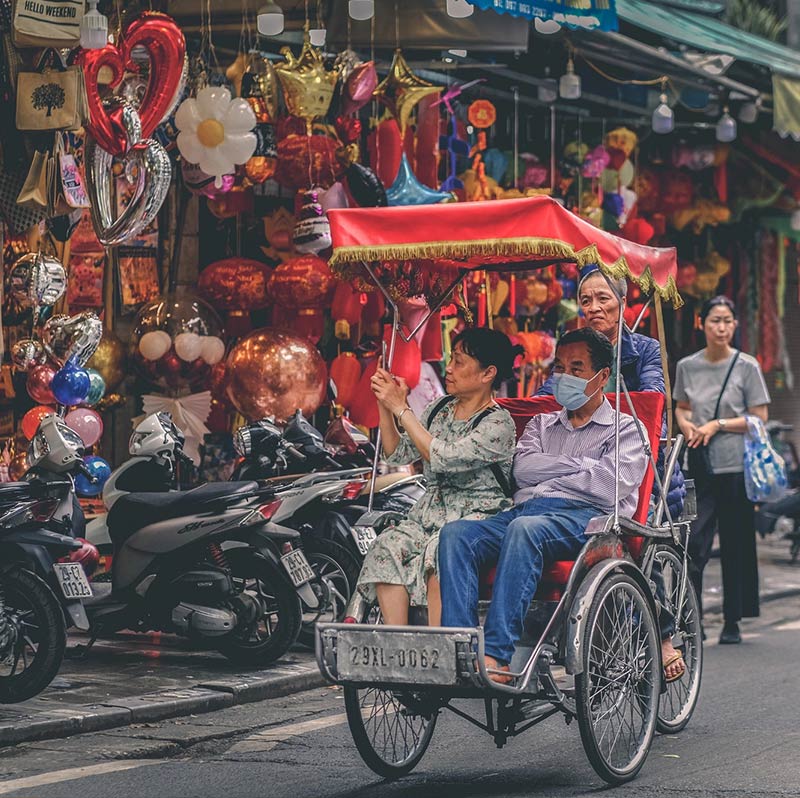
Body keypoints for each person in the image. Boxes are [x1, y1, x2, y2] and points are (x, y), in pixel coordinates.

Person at [438, 328, 649, 682]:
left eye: (576, 368)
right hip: (526, 511)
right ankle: (459, 650)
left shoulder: (626, 430)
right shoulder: (542, 423)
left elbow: (608, 485)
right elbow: (523, 470)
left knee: (525, 530)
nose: (564, 377)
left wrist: (552, 474)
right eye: (560, 368)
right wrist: (582, 466)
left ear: (602, 377)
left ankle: (496, 655)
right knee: (456, 534)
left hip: (586, 521)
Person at [538, 267, 686, 682]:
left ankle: (664, 633)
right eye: (586, 300)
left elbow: (654, 399)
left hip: (636, 463)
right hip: (584, 459)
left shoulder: (644, 349)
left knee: (635, 533)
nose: (593, 307)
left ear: (622, 302)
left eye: (603, 298)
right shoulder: (576, 348)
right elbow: (550, 393)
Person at [356, 328, 521, 627]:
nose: (449, 369)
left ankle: (439, 648)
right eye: (451, 360)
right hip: (429, 512)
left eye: (459, 362)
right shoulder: (440, 409)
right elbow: (397, 453)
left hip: (477, 515)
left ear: (488, 374)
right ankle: (397, 644)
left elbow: (443, 456)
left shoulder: (499, 424)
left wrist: (401, 408)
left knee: (440, 550)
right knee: (387, 545)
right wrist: (385, 405)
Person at [675, 295, 770, 645]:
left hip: (736, 466)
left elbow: (759, 418)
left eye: (727, 320)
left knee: (735, 543)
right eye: (715, 320)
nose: (721, 327)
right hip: (698, 464)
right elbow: (682, 408)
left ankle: (733, 620)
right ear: (701, 323)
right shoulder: (687, 366)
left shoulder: (747, 365)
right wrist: (686, 427)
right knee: (694, 544)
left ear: (734, 325)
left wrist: (717, 424)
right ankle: (693, 620)